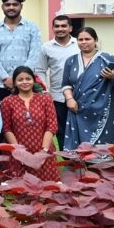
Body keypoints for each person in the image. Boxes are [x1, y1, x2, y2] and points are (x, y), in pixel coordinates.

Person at [61, 27, 114, 150]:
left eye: (87, 39)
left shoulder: (107, 58)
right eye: (80, 39)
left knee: (102, 147)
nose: (84, 42)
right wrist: (69, 99)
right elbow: (66, 84)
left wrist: (113, 77)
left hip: (102, 111)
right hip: (77, 109)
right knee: (80, 147)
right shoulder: (71, 61)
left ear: (95, 40)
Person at [0, 66, 60, 181]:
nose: (24, 82)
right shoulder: (7, 102)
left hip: (44, 149)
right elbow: (7, 129)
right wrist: (19, 152)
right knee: (21, 187)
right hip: (19, 152)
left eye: (28, 79)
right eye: (20, 79)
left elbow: (51, 126)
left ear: (34, 80)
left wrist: (43, 152)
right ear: (15, 83)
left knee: (48, 187)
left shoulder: (45, 99)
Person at [0, 0, 42, 102]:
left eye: (15, 4)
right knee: (0, 112)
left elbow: (34, 54)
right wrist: (5, 78)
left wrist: (21, 78)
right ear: (2, 7)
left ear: (21, 6)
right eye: (7, 5)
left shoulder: (32, 28)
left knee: (26, 113)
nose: (11, 7)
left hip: (25, 84)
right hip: (0, 84)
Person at [35, 15, 79, 147]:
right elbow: (40, 70)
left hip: (80, 95)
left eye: (64, 26)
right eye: (57, 26)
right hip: (57, 97)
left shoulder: (79, 44)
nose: (60, 29)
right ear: (53, 28)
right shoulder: (46, 47)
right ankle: (66, 157)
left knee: (81, 128)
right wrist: (44, 91)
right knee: (62, 130)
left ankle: (84, 157)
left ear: (70, 28)